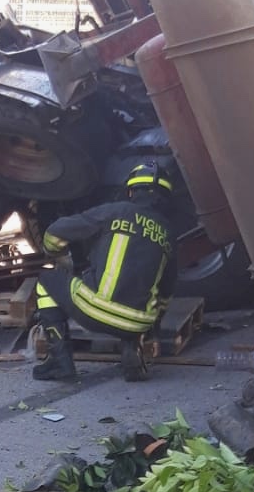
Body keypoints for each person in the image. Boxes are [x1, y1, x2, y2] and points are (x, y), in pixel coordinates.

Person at [32, 161, 180, 381]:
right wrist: (152, 331)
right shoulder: (168, 234)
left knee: (46, 281)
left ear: (131, 191)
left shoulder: (115, 211)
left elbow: (56, 232)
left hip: (94, 310)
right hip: (138, 323)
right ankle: (132, 348)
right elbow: (166, 293)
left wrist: (54, 252)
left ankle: (59, 362)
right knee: (136, 294)